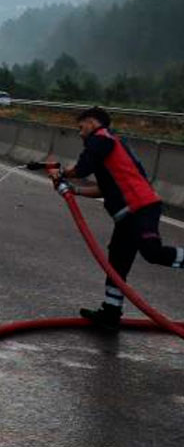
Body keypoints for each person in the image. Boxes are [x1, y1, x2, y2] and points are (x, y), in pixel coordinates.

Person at [50, 107, 184, 330]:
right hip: (127, 216)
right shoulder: (108, 151)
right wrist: (73, 190)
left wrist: (61, 173)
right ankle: (111, 313)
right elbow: (104, 189)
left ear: (92, 123)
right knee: (117, 263)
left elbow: (82, 169)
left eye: (81, 127)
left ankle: (111, 312)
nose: (80, 133)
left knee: (152, 252)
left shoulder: (101, 139)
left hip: (141, 208)